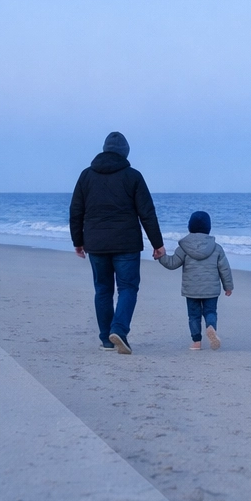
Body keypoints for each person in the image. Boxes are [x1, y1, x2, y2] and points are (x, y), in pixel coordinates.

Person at [69, 131, 165, 354]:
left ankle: (106, 339)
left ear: (104, 149)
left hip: (96, 243)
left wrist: (78, 241)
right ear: (125, 153)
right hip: (126, 244)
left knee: (102, 289)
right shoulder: (133, 176)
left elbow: (76, 211)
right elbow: (147, 213)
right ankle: (119, 330)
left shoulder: (86, 176)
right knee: (128, 288)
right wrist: (157, 244)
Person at [155, 210, 233, 350]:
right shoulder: (216, 248)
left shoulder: (184, 248)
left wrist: (161, 256)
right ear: (209, 228)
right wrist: (228, 286)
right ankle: (211, 328)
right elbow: (224, 269)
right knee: (210, 312)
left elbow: (172, 263)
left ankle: (196, 342)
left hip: (191, 290)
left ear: (189, 227)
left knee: (193, 316)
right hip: (211, 290)